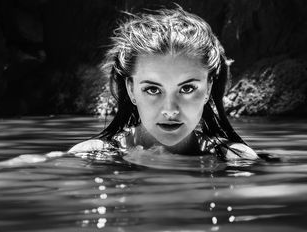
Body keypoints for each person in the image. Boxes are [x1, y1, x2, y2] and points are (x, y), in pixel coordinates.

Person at [69, 7, 258, 161]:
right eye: (152, 89)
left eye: (187, 88)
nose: (170, 110)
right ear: (131, 89)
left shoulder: (237, 159)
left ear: (208, 88)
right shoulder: (89, 156)